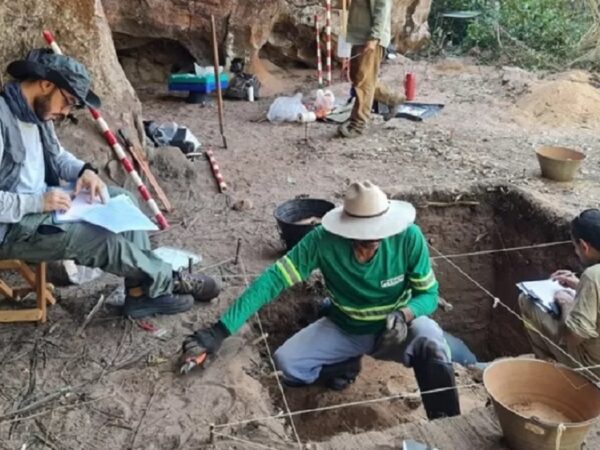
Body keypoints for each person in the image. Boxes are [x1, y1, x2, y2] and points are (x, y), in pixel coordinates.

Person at [183, 181, 461, 420]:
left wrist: (406, 314)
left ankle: (446, 424)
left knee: (432, 340)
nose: (368, 246)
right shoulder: (322, 240)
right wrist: (219, 331)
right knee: (287, 364)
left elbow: (429, 295)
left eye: (376, 236)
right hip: (345, 328)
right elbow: (272, 280)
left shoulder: (408, 237)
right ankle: (346, 363)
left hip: (395, 331)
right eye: (361, 238)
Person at [0, 49, 220, 318]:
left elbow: (57, 157)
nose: (65, 111)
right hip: (12, 229)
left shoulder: (37, 114)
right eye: (67, 101)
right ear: (46, 84)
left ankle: (140, 294)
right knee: (98, 240)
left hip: (43, 207)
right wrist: (38, 202)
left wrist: (85, 171)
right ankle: (168, 279)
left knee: (120, 199)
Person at [519, 209, 600, 378]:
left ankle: (548, 375)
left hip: (592, 366)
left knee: (527, 301)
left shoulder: (593, 276)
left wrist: (566, 303)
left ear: (584, 246)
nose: (576, 252)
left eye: (575, 247)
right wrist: (578, 286)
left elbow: (574, 336)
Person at [339, 0, 406, 138]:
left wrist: (374, 37)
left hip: (370, 38)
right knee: (360, 78)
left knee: (363, 83)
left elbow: (382, 8)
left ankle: (358, 125)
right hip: (358, 36)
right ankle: (393, 98)